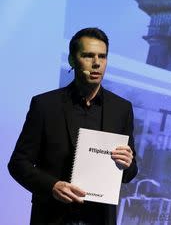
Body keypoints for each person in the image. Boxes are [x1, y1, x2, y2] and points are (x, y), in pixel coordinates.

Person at [8, 27, 138, 224]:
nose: (96, 63)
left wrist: (127, 164)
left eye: (102, 57)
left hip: (100, 219)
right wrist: (51, 186)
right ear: (72, 60)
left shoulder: (121, 109)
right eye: (88, 56)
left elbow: (129, 172)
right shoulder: (45, 105)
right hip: (53, 217)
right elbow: (18, 163)